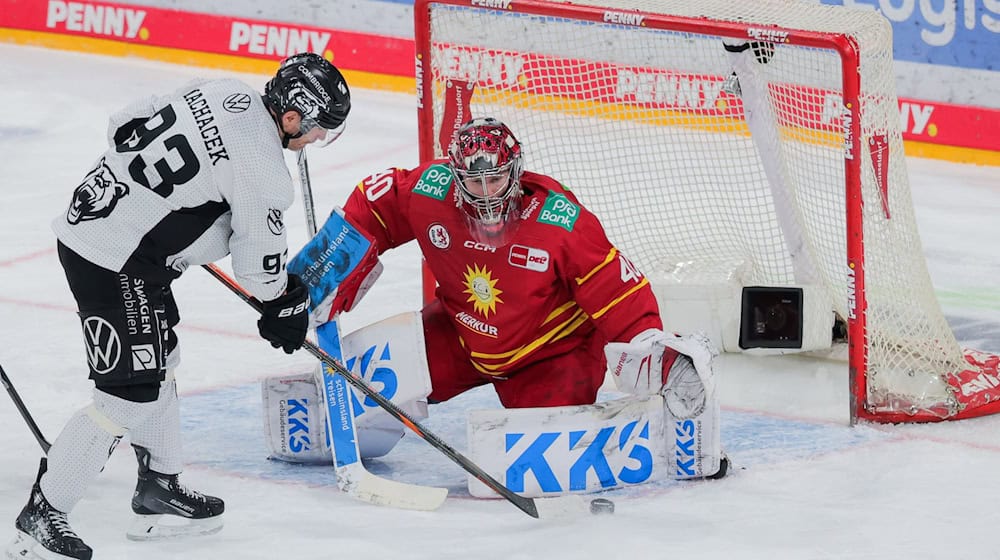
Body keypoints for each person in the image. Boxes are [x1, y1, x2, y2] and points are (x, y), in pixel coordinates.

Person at [7, 52, 350, 560]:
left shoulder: (221, 91)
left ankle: (159, 490)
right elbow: (259, 272)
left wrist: (164, 208)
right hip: (114, 260)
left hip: (106, 228)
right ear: (293, 116)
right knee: (127, 395)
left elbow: (122, 126)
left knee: (161, 360)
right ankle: (44, 513)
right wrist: (285, 306)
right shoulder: (264, 170)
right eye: (318, 128)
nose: (317, 140)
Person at [324, 116, 726, 479]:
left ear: (515, 172)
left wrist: (651, 348)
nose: (486, 194)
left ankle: (660, 436)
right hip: (462, 337)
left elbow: (618, 292)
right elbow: (376, 204)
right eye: (474, 182)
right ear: (455, 176)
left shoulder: (560, 221)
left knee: (545, 464)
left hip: (551, 356)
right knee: (347, 391)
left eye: (495, 179)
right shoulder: (432, 191)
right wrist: (323, 270)